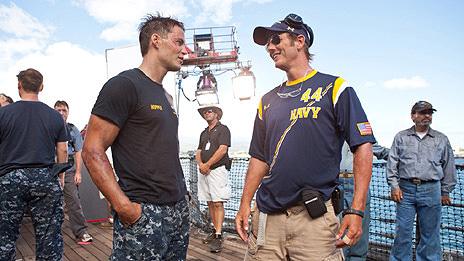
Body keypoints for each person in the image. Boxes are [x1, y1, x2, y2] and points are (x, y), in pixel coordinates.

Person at [235, 13, 376, 260]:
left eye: (276, 39)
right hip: (267, 218)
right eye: (268, 42)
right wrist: (245, 202)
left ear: (299, 41)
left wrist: (357, 210)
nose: (270, 47)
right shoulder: (267, 100)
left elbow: (363, 145)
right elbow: (259, 156)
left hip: (314, 222)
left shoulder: (336, 88)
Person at [82, 14, 189, 260]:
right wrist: (124, 207)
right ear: (156, 40)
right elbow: (92, 150)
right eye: (179, 42)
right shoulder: (124, 85)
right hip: (144, 213)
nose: (185, 50)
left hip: (178, 211)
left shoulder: (165, 96)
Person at [0, 68, 68, 260]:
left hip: (10, 179)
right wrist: (60, 176)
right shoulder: (55, 116)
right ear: (41, 87)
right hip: (45, 178)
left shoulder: (3, 114)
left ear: (19, 86)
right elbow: (62, 150)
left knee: (5, 237)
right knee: (49, 238)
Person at [387, 101, 456, 261]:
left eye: (429, 113)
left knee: (430, 234)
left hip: (432, 190)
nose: (427, 116)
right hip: (405, 190)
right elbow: (392, 163)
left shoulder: (441, 139)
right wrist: (394, 186)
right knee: (403, 231)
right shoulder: (401, 137)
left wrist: (445, 191)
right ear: (413, 116)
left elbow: (449, 166)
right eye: (423, 112)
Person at [339, 142, 389, 260]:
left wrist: (404, 155)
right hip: (336, 184)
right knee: (338, 232)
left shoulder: (362, 132)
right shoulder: (332, 131)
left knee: (360, 233)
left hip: (359, 183)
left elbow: (380, 151)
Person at [54, 100, 93, 245]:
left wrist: (78, 172)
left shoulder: (72, 129)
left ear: (68, 112)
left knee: (74, 202)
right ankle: (53, 233)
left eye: (64, 110)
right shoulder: (48, 128)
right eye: (58, 110)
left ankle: (81, 232)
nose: (61, 113)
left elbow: (78, 151)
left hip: (69, 171)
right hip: (52, 170)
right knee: (51, 203)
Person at [195, 104, 231, 253]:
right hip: (205, 172)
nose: (206, 113)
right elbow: (198, 151)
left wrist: (208, 164)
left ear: (217, 114)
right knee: (209, 202)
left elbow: (223, 149)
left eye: (209, 111)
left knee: (217, 203)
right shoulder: (203, 133)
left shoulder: (223, 129)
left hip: (217, 170)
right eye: (204, 112)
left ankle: (218, 235)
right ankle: (214, 230)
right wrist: (201, 165)